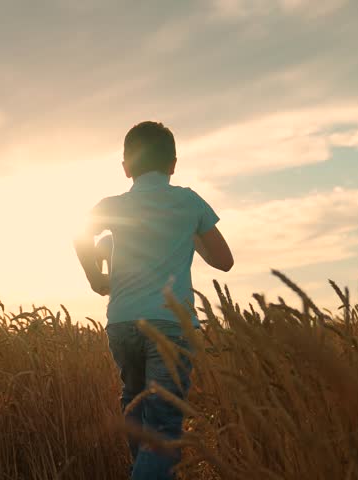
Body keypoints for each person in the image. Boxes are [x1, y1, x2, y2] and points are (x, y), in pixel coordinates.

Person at [74, 121, 233, 479]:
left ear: (126, 167)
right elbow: (224, 261)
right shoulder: (189, 202)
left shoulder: (111, 205)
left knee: (134, 404)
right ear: (174, 164)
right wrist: (188, 233)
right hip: (170, 327)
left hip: (123, 323)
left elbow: (80, 237)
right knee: (163, 427)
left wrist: (97, 279)